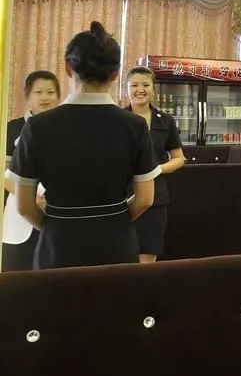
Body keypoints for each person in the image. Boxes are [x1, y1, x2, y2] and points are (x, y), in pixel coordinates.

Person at [9, 21, 160, 269]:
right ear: (115, 74)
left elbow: (24, 206)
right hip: (116, 247)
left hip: (58, 248)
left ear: (68, 67)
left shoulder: (38, 126)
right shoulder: (134, 125)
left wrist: (57, 225)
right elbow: (145, 199)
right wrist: (113, 220)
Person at [125, 66, 185, 263]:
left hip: (155, 199)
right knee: (121, 258)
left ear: (153, 89)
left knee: (147, 258)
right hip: (121, 198)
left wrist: (156, 169)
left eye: (145, 85)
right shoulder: (117, 119)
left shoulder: (165, 121)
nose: (140, 90)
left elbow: (179, 158)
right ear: (126, 88)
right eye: (134, 85)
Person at [2, 71, 60, 272]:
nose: (45, 97)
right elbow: (3, 173)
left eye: (50, 92)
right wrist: (30, 197)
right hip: (19, 209)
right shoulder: (12, 128)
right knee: (16, 271)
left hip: (56, 210)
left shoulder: (66, 128)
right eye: (38, 92)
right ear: (27, 97)